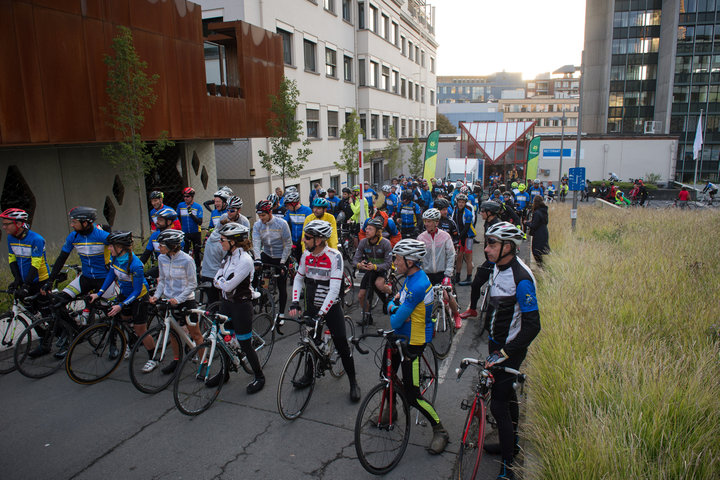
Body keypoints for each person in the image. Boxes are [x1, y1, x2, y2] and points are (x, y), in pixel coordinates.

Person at [481, 222, 541, 479]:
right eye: (487, 243)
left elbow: (533, 327)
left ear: (509, 246)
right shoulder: (497, 267)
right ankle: (512, 444)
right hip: (496, 345)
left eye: (492, 244)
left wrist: (505, 353)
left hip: (511, 350)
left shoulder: (522, 277)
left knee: (498, 406)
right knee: (508, 398)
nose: (486, 249)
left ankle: (508, 467)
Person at [386, 239, 449, 454]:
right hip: (401, 335)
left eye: (397, 258)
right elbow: (397, 304)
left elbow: (394, 317)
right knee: (387, 375)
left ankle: (439, 429)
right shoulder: (410, 278)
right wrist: (396, 305)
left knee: (413, 396)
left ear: (410, 261)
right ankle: (391, 410)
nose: (394, 262)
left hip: (414, 341)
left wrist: (393, 306)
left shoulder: (418, 284)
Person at [290, 220, 361, 402]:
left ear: (320, 239)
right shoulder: (306, 255)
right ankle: (309, 374)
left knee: (342, 345)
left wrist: (321, 315)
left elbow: (334, 288)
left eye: (308, 237)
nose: (304, 240)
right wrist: (295, 302)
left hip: (330, 304)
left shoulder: (334, 256)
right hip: (312, 301)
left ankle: (353, 381)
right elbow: (299, 279)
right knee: (310, 340)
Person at [211, 223, 265, 393]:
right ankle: (224, 372)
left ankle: (259, 376)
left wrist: (221, 283)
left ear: (233, 241)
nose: (220, 242)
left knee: (245, 343)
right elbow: (216, 279)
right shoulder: (228, 256)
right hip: (227, 304)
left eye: (223, 240)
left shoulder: (245, 260)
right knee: (224, 339)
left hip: (241, 306)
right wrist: (222, 283)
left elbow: (227, 286)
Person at [90, 231, 152, 369]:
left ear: (120, 247)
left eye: (111, 246)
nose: (109, 249)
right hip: (125, 293)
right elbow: (111, 275)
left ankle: (153, 357)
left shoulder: (136, 265)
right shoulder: (116, 258)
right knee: (124, 320)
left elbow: (136, 291)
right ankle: (131, 343)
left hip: (139, 296)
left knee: (140, 328)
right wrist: (99, 294)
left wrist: (121, 305)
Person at [148, 229, 204, 375]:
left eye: (161, 245)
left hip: (185, 300)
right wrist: (156, 295)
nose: (158, 248)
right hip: (169, 300)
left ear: (172, 246)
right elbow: (162, 280)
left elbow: (192, 284)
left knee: (196, 334)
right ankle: (176, 360)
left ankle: (203, 361)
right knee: (172, 333)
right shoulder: (162, 258)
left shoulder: (187, 260)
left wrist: (178, 299)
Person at [42, 207, 111, 303]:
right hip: (86, 278)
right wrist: (50, 281)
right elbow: (62, 258)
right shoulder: (73, 236)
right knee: (59, 300)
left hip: (104, 279)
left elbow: (122, 253)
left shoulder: (102, 236)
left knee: (109, 311)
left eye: (74, 222)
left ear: (85, 223)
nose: (71, 225)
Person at [417, 209, 462, 329]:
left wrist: (448, 275)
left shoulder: (445, 236)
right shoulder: (421, 238)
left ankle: (457, 315)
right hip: (427, 274)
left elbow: (451, 255)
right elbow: (418, 258)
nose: (426, 224)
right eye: (425, 221)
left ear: (436, 222)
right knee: (425, 299)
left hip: (442, 273)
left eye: (429, 221)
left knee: (447, 296)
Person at [459, 201, 504, 320]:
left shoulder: (497, 225)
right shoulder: (487, 223)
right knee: (475, 285)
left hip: (498, 261)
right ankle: (472, 309)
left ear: (490, 213)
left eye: (483, 211)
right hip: (489, 259)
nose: (481, 213)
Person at [252, 200, 292, 314]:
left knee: (281, 285)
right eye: (259, 215)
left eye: (263, 215)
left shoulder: (282, 224)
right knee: (255, 273)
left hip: (281, 255)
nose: (261, 218)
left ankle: (281, 313)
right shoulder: (257, 225)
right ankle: (256, 293)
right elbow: (256, 242)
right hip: (267, 254)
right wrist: (257, 258)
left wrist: (283, 262)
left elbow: (288, 244)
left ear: (270, 212)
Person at [352, 218, 392, 327]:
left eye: (370, 229)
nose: (366, 231)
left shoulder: (385, 243)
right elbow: (355, 259)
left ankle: (390, 293)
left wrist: (375, 266)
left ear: (377, 231)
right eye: (366, 228)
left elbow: (388, 264)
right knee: (361, 296)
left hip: (382, 269)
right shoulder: (363, 242)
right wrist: (359, 265)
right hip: (370, 270)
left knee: (379, 284)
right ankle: (367, 316)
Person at [1, 208, 49, 297]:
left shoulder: (36, 239)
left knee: (44, 309)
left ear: (19, 224)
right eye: (3, 224)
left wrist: (26, 285)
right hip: (24, 281)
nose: (4, 227)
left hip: (39, 281)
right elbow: (12, 259)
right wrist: (17, 279)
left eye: (6, 224)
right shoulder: (10, 238)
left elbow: (35, 264)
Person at [139, 207, 180, 279]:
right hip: (161, 266)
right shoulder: (154, 236)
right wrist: (136, 268)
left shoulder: (175, 237)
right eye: (157, 219)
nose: (157, 222)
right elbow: (146, 254)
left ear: (169, 222)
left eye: (160, 220)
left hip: (174, 268)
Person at [177, 187, 203, 270]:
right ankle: (185, 269)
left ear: (192, 197)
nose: (185, 198)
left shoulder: (198, 207)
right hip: (185, 233)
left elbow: (199, 222)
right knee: (185, 252)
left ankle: (198, 270)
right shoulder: (180, 206)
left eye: (187, 196)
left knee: (197, 252)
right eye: (184, 196)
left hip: (196, 232)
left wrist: (190, 213)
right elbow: (177, 218)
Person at [453, 194, 476, 285]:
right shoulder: (455, 211)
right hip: (460, 236)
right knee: (459, 257)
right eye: (459, 202)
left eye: (463, 202)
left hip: (468, 236)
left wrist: (459, 237)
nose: (461, 204)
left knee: (468, 258)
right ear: (457, 203)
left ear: (465, 203)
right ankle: (457, 276)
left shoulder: (468, 213)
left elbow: (466, 228)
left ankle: (469, 277)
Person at [283, 191, 312, 262]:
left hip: (304, 240)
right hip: (293, 240)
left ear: (294, 204)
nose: (287, 207)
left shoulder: (307, 210)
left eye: (288, 205)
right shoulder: (289, 212)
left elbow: (310, 227)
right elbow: (283, 222)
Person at [525, 196, 550, 266]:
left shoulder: (537, 212)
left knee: (536, 251)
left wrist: (526, 223)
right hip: (544, 232)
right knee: (541, 251)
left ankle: (541, 267)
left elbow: (534, 225)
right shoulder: (544, 210)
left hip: (538, 234)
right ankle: (541, 266)